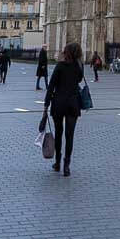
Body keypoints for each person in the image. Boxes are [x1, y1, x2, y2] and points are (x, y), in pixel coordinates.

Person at [43, 42, 84, 177]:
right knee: (70, 135)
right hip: (73, 104)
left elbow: (51, 85)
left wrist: (46, 103)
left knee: (59, 133)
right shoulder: (79, 67)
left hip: (59, 104)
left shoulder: (60, 66)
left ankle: (58, 163)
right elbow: (78, 80)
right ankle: (67, 166)